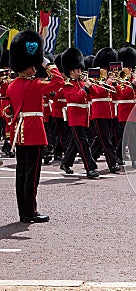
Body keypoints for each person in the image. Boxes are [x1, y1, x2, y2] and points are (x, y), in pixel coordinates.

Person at [7, 30, 64, 223]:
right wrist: (46, 62)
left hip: (19, 133)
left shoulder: (12, 85)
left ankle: (23, 211)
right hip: (33, 131)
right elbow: (59, 82)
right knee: (32, 175)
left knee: (22, 174)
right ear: (28, 66)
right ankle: (30, 212)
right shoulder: (35, 85)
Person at [59, 47, 99, 178]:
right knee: (83, 143)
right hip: (75, 117)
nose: (80, 71)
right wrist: (86, 89)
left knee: (75, 143)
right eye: (77, 69)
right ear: (70, 71)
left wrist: (92, 86)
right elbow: (75, 97)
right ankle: (90, 168)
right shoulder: (67, 85)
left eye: (80, 69)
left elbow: (95, 94)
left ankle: (66, 162)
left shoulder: (82, 82)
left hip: (85, 116)